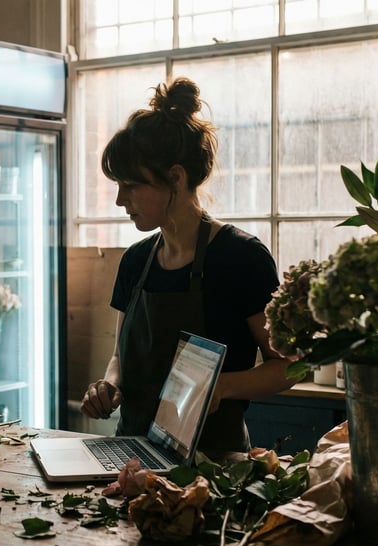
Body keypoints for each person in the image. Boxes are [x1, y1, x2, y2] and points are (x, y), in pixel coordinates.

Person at [79, 77, 295, 462]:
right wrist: (109, 386)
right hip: (130, 456)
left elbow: (289, 368)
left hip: (214, 466)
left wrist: (222, 387)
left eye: (130, 185)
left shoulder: (241, 258)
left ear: (175, 178)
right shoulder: (135, 262)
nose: (118, 200)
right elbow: (120, 358)